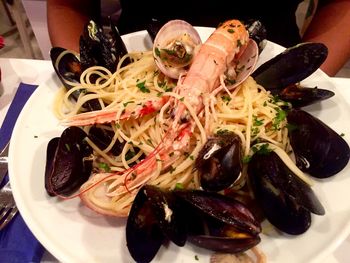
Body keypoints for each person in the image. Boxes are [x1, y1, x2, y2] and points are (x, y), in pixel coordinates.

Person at [47, 0, 350, 77]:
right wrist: (89, 87)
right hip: (134, 62)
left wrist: (302, 76)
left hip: (268, 59)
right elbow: (67, 4)